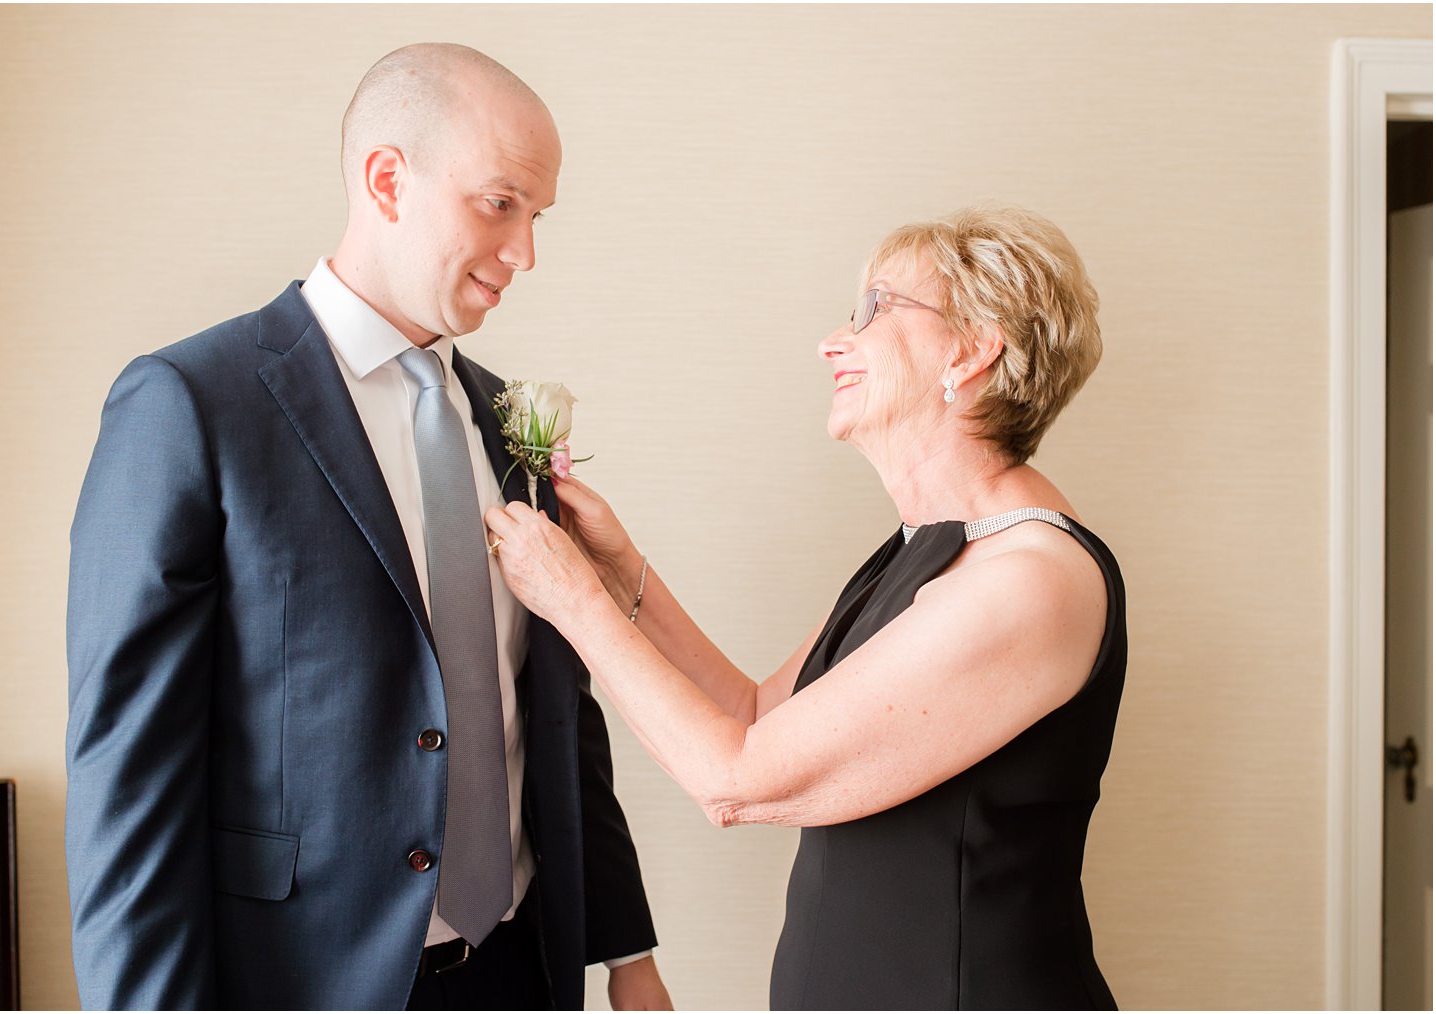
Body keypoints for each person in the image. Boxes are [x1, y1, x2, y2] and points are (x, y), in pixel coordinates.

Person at [66, 44, 669, 1010]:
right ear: (388, 180)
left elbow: (552, 713)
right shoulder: (190, 405)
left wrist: (625, 954)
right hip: (306, 982)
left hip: (520, 973)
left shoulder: (507, 420)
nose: (525, 254)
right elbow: (129, 783)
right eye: (500, 203)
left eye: (537, 217)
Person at [486, 205, 1125, 1009]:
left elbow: (734, 780)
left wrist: (574, 603)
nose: (833, 342)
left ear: (972, 349)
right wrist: (618, 574)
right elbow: (754, 715)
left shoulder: (1028, 577)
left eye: (877, 309)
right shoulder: (924, 549)